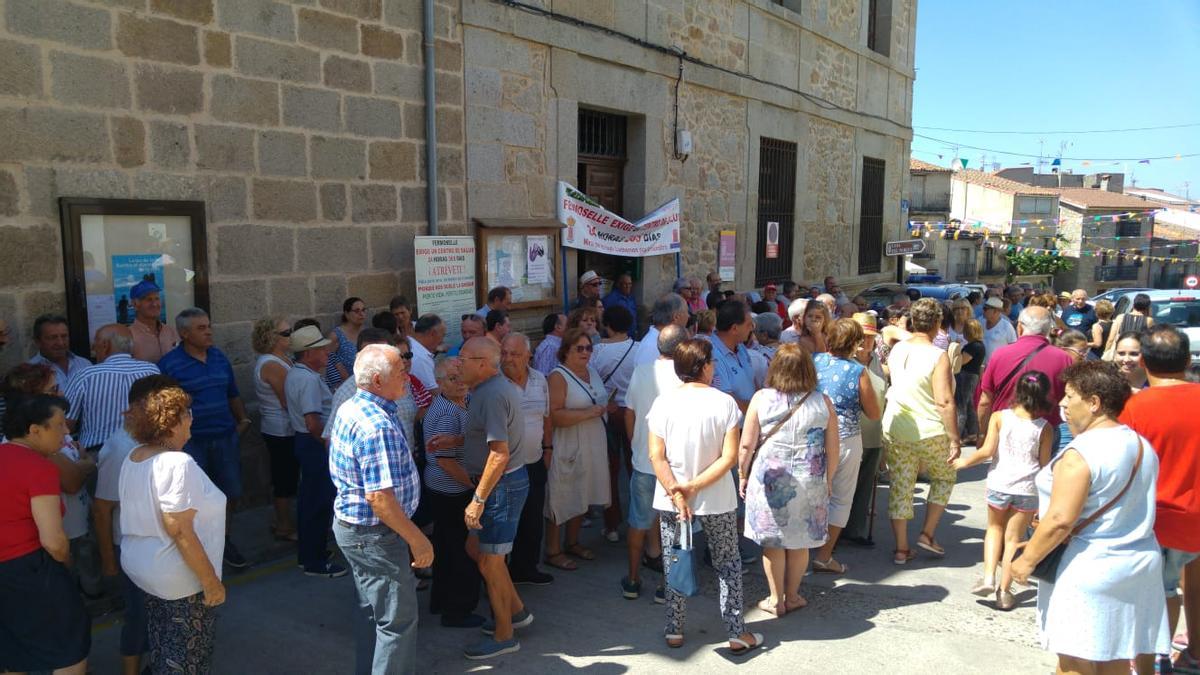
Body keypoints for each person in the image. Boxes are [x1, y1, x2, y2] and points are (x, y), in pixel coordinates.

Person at [1011, 361, 1169, 674]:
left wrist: (1027, 559)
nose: (1062, 404)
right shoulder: (1139, 444)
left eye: (1070, 397)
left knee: (1073, 662)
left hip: (1090, 567)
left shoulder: (1081, 452)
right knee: (1117, 658)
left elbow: (1059, 519)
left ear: (1094, 402)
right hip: (1137, 565)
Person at [648, 337, 762, 654]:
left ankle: (674, 629)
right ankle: (737, 631)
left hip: (672, 496)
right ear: (706, 366)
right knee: (727, 563)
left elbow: (656, 456)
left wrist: (678, 490)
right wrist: (693, 487)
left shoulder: (663, 402)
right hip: (716, 497)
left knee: (675, 561)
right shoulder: (723, 403)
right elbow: (728, 457)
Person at [328, 344, 431, 673]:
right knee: (396, 623)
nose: (407, 376)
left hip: (359, 530)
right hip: (376, 534)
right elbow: (380, 499)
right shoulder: (378, 427)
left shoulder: (353, 406)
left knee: (373, 615)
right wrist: (417, 539)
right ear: (376, 380)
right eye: (400, 372)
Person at [120, 382, 227, 673]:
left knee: (163, 644)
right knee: (187, 658)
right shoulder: (178, 464)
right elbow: (178, 529)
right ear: (172, 422)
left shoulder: (134, 457)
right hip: (178, 579)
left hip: (145, 570)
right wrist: (211, 582)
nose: (191, 418)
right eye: (186, 413)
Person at [1119, 325, 1200, 672]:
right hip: (1195, 516)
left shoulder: (1135, 407)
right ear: (1187, 360)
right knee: (1193, 584)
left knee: (1162, 590)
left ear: (1144, 361)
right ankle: (1194, 650)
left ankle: (1156, 656)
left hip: (1159, 517)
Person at [739, 343, 839, 616]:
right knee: (800, 541)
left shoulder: (761, 398)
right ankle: (793, 595)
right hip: (811, 481)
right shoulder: (822, 401)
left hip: (770, 481)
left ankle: (775, 599)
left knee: (772, 542)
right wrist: (828, 480)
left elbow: (747, 445)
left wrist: (742, 473)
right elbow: (833, 448)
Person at [0, 394, 91, 675]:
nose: (66, 432)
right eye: (59, 425)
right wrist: (64, 566)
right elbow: (53, 540)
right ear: (34, 430)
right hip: (31, 569)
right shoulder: (38, 467)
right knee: (68, 649)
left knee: (13, 651)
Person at [94, 375, 177, 675]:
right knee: (139, 617)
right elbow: (102, 510)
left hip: (162, 548)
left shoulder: (161, 439)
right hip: (135, 549)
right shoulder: (119, 449)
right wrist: (108, 563)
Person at [157, 308, 251, 569]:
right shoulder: (169, 365)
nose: (208, 331)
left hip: (224, 438)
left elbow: (232, 392)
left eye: (209, 326)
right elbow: (165, 406)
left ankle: (223, 540)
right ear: (184, 334)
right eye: (201, 328)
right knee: (193, 499)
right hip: (191, 444)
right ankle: (197, 548)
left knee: (228, 493)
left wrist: (243, 420)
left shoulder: (219, 358)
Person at [953, 371, 1053, 610]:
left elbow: (987, 452)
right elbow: (1044, 464)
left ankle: (988, 577)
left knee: (994, 529)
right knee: (1013, 539)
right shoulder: (1044, 428)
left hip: (1000, 484)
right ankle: (1005, 591)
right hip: (1028, 489)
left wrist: (963, 463)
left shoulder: (999, 418)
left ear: (1017, 392)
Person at [458, 337, 531, 659]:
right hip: (502, 485)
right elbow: (489, 434)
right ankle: (516, 611)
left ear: (483, 364)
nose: (457, 363)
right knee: (476, 549)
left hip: (501, 488)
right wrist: (459, 438)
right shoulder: (490, 390)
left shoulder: (491, 394)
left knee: (490, 561)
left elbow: (498, 455)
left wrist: (478, 498)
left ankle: (504, 635)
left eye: (463, 359)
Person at [882, 298, 960, 565]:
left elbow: (889, 334)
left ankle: (901, 549)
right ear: (937, 324)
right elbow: (944, 401)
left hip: (895, 425)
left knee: (901, 485)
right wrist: (954, 438)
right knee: (945, 477)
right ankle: (927, 533)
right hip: (929, 427)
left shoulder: (897, 350)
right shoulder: (937, 355)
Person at [621, 325, 687, 602]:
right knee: (671, 526)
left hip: (644, 460)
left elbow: (629, 412)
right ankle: (666, 584)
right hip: (673, 464)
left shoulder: (642, 370)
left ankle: (633, 580)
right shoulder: (685, 376)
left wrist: (635, 444)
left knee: (638, 521)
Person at [811, 319, 881, 574]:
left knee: (811, 494)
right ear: (854, 342)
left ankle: (802, 548)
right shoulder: (857, 371)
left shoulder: (814, 361)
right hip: (844, 439)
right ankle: (824, 555)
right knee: (840, 499)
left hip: (813, 436)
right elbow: (873, 413)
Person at [422, 358, 485, 627]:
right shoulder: (446, 413)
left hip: (448, 490)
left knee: (447, 548)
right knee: (461, 551)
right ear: (439, 383)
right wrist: (475, 487)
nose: (459, 383)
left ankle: (441, 601)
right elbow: (446, 461)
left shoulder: (463, 401)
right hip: (452, 491)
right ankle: (457, 610)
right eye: (451, 379)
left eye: (461, 376)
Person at [543, 328, 609, 571]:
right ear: (566, 351)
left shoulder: (592, 372)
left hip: (592, 442)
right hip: (569, 443)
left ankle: (572, 542)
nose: (585, 353)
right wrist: (587, 414)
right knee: (561, 496)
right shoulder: (558, 377)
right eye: (579, 348)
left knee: (582, 493)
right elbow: (553, 415)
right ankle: (552, 550)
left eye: (588, 348)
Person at [283, 326, 345, 578]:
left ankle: (308, 554)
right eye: (321, 349)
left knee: (310, 501)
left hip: (306, 443)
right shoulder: (307, 379)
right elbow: (313, 422)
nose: (327, 353)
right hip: (314, 445)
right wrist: (328, 445)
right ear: (308, 354)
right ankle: (314, 561)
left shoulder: (298, 374)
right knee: (317, 503)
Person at [500, 334, 554, 586]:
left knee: (532, 519)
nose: (508, 359)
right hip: (506, 467)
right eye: (505, 353)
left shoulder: (539, 379)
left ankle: (526, 568)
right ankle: (501, 575)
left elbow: (546, 417)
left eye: (515, 354)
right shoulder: (496, 384)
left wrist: (548, 449)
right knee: (506, 523)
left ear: (528, 356)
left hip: (534, 460)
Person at [976, 306, 1075, 435]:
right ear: (1048, 330)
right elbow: (1071, 399)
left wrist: (983, 434)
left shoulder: (999, 355)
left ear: (1020, 327)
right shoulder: (1064, 358)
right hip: (1046, 432)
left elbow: (985, 401)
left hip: (1005, 429)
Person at [65, 323, 160, 453]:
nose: (93, 347)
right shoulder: (152, 370)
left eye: (96, 342)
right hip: (146, 451)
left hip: (99, 452)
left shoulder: (86, 375)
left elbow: (65, 423)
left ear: (105, 345)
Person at [593, 306, 638, 542]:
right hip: (633, 413)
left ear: (607, 324)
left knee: (610, 469)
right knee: (636, 468)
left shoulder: (598, 352)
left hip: (608, 413)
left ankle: (611, 524)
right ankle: (638, 519)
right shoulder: (638, 350)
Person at [251, 317, 298, 541]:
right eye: (286, 333)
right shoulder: (271, 364)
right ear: (272, 337)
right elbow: (287, 400)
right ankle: (284, 525)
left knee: (286, 476)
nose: (291, 336)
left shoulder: (281, 359)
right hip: (280, 430)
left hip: (283, 428)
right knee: (284, 479)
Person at [843, 313, 887, 546]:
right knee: (844, 484)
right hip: (849, 431)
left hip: (872, 431)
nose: (865, 342)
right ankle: (837, 531)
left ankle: (856, 529)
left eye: (869, 337)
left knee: (865, 484)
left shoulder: (876, 362)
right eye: (861, 337)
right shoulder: (845, 362)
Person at [708, 300, 757, 413]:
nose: (752, 328)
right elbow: (727, 399)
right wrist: (757, 414)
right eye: (749, 325)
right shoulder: (712, 355)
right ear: (734, 328)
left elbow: (752, 382)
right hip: (735, 427)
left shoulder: (740, 347)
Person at [27, 313, 92, 392]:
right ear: (37, 341)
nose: (60, 343)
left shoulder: (84, 364)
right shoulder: (29, 371)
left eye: (64, 336)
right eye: (53, 338)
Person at [128, 280, 180, 364]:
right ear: (135, 304)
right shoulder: (128, 335)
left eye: (157, 299)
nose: (155, 304)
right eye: (149, 300)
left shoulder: (171, 331)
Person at [633, 293, 689, 367]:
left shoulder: (659, 340)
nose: (688, 316)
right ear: (676, 317)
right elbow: (646, 376)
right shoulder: (650, 347)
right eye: (686, 312)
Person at [326, 297, 367, 391]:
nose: (361, 314)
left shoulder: (366, 332)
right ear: (347, 314)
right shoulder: (336, 335)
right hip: (346, 388)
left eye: (363, 310)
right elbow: (326, 362)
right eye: (357, 311)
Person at [956, 319, 986, 445]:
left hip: (965, 376)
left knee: (961, 406)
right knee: (969, 405)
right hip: (972, 376)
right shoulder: (980, 345)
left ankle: (956, 435)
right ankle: (973, 433)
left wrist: (956, 350)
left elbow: (962, 361)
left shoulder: (972, 346)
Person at [1103, 293, 1155, 357]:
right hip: (1138, 355)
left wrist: (1106, 352)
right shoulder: (1149, 320)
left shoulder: (1120, 317)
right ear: (1147, 307)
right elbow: (1151, 341)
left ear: (1133, 305)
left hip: (1121, 353)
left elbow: (1111, 339)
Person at [408, 314, 445, 395]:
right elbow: (435, 392)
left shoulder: (409, 341)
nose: (442, 340)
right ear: (432, 333)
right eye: (443, 335)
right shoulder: (421, 359)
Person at [981, 297, 1017, 361]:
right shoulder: (980, 322)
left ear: (995, 311)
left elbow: (1013, 347)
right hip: (981, 366)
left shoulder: (1007, 326)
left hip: (998, 365)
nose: (983, 311)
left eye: (985, 309)